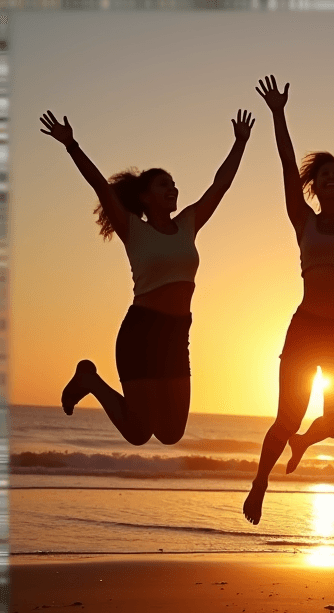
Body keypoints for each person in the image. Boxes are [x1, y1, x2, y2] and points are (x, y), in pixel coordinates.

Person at [40, 107, 254, 445]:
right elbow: (99, 184)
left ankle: (90, 381)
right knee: (139, 433)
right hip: (141, 331)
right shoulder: (132, 230)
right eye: (163, 184)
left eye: (173, 183)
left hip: (176, 334)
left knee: (170, 433)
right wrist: (71, 144)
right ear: (145, 196)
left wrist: (240, 143)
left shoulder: (188, 224)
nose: (173, 188)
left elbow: (221, 185)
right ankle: (90, 380)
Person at [243, 73, 334, 525]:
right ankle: (260, 481)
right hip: (306, 328)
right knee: (286, 417)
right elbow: (286, 164)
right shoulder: (303, 221)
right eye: (325, 176)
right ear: (316, 188)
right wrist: (278, 114)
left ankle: (306, 442)